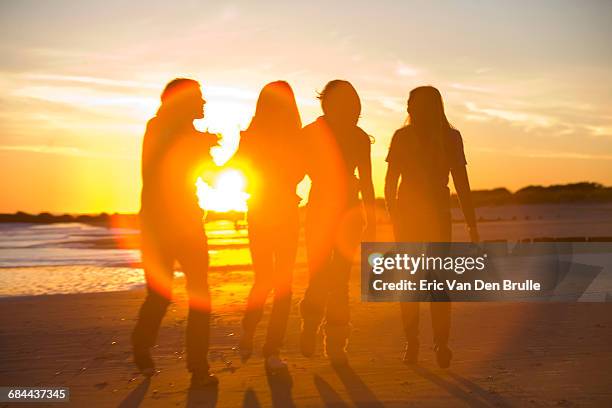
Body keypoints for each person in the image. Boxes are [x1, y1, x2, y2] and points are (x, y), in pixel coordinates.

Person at [131, 78, 219, 387]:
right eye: (198, 98)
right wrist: (198, 145)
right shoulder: (157, 127)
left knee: (200, 294)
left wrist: (230, 155)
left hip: (190, 222)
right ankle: (141, 345)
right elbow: (159, 169)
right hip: (158, 223)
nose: (204, 103)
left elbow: (212, 179)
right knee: (161, 293)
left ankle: (199, 367)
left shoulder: (195, 137)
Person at [384, 85, 479, 368]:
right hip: (419, 213)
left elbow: (461, 183)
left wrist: (394, 217)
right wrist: (395, 215)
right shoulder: (409, 137)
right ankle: (427, 342)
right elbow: (390, 182)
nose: (411, 109)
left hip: (425, 213)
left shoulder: (447, 137)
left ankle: (426, 342)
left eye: (413, 104)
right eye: (411, 104)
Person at [299, 80, 376, 366]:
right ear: (328, 104)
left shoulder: (358, 137)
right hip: (319, 208)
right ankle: (310, 321)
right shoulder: (310, 133)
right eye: (345, 103)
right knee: (318, 274)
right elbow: (296, 169)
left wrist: (372, 220)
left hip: (350, 212)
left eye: (353, 104)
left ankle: (335, 343)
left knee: (341, 279)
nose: (352, 109)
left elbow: (367, 180)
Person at [233, 81, 304, 372]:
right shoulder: (273, 135)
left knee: (272, 280)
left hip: (271, 209)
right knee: (274, 280)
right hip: (273, 209)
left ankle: (262, 341)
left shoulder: (266, 135)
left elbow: (239, 165)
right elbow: (240, 164)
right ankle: (261, 341)